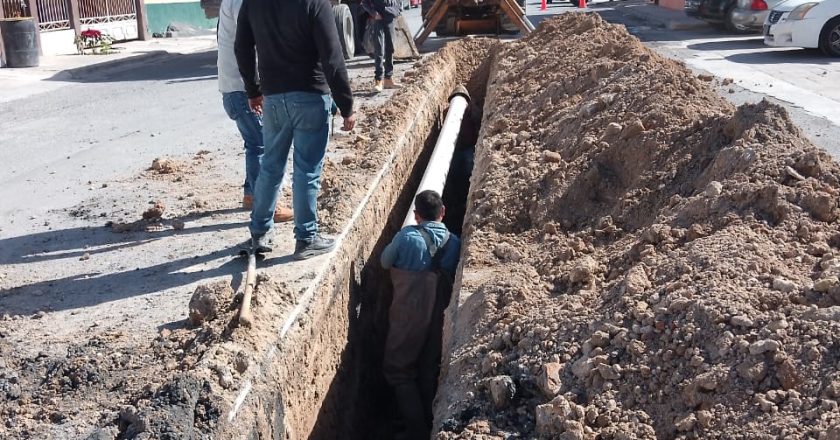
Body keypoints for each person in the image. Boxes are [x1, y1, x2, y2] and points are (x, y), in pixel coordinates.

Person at [235, 0, 356, 259]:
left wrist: (253, 89)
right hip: (310, 96)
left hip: (274, 99)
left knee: (270, 165)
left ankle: (259, 233)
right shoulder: (315, 2)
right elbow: (333, 57)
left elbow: (242, 47)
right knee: (307, 170)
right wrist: (347, 106)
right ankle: (306, 237)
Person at [380, 190, 461, 440]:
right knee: (428, 366)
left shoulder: (407, 237)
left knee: (399, 370)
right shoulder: (455, 242)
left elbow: (384, 262)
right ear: (443, 212)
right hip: (439, 312)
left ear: (416, 216)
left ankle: (416, 431)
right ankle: (428, 420)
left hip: (409, 313)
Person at [216, 0, 292, 223]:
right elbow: (253, 43)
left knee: (254, 143)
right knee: (264, 145)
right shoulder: (243, 3)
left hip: (233, 87)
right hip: (244, 88)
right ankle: (267, 205)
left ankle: (251, 194)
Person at [362, 0, 402, 92]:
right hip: (378, 20)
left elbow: (399, 3)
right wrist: (374, 13)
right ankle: (378, 80)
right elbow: (365, 2)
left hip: (390, 18)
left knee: (390, 48)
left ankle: (388, 79)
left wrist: (396, 11)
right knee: (379, 49)